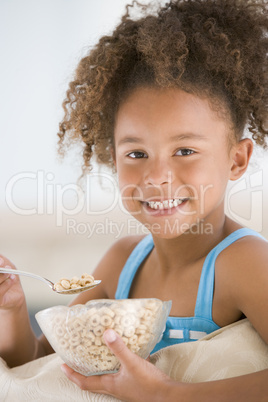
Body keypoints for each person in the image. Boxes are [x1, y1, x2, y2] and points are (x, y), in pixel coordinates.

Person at [1, 0, 268, 400]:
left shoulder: (244, 263)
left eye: (185, 151)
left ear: (237, 159)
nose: (157, 177)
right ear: (112, 156)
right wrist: (12, 309)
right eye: (136, 154)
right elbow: (41, 366)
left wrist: (164, 394)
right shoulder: (121, 262)